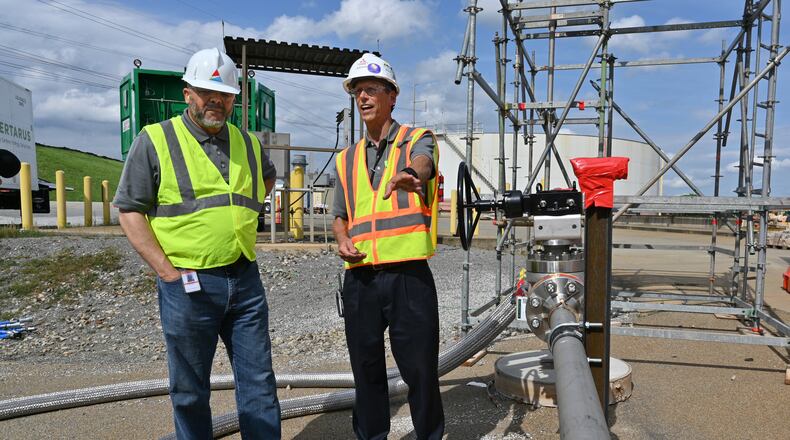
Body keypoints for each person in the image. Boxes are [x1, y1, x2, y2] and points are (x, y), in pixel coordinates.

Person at [114, 48, 280, 439]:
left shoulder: (249, 143)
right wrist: (167, 273)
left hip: (244, 278)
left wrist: (239, 216)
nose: (216, 101)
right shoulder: (155, 140)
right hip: (187, 284)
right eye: (207, 92)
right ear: (187, 92)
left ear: (234, 98)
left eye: (224, 95)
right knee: (190, 391)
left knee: (259, 385)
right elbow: (129, 210)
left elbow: (266, 180)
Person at [332, 53, 444, 440]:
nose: (363, 97)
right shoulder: (345, 159)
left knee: (420, 370)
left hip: (408, 275)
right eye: (357, 91)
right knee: (365, 372)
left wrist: (413, 174)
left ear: (392, 96)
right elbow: (339, 214)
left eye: (371, 90)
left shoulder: (416, 139)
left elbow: (424, 162)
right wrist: (342, 238)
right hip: (360, 279)